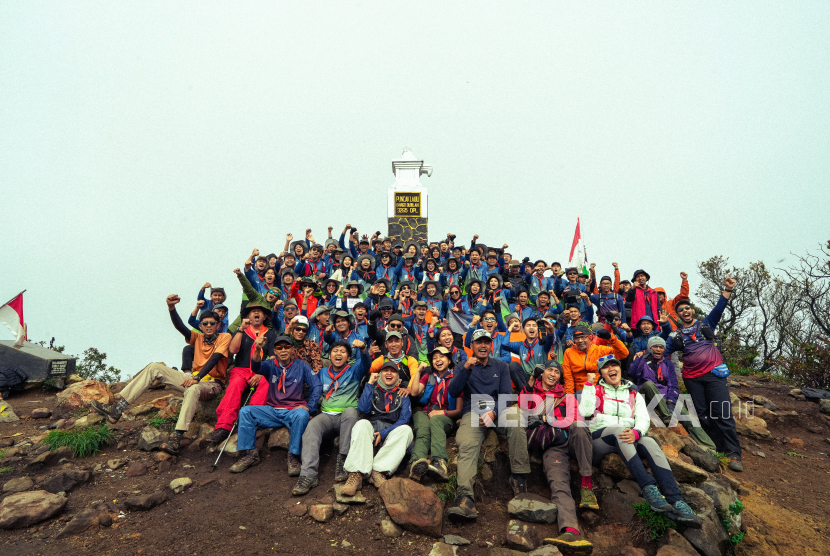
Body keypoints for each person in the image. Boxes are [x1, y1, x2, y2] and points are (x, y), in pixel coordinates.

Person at [91, 295, 230, 455]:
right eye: (204, 323)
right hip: (193, 379)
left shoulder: (224, 337)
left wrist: (196, 379)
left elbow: (215, 358)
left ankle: (177, 437)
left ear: (218, 324)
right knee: (155, 367)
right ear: (200, 325)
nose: (208, 326)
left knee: (192, 389)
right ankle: (118, 408)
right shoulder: (198, 337)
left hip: (212, 384)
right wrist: (171, 308)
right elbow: (181, 327)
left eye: (212, 323)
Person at [579, 355, 704, 526]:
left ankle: (675, 499)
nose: (611, 369)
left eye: (614, 365)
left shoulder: (633, 392)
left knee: (649, 441)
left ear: (620, 369)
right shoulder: (595, 389)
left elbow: (643, 418)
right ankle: (648, 487)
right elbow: (585, 411)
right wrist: (587, 385)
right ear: (601, 372)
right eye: (606, 367)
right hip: (600, 438)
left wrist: (637, 433)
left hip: (625, 437)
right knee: (622, 432)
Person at [447, 329, 530, 521]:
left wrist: (493, 412)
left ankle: (519, 478)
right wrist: (466, 369)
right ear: (472, 346)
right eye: (478, 342)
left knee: (517, 421)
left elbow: (507, 395)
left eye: (486, 342)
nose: (483, 345)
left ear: (491, 346)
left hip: (497, 410)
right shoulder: (462, 366)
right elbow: (453, 391)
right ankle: (466, 497)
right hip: (473, 411)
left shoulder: (501, 366)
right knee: (467, 442)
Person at [666, 277, 743, 471]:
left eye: (687, 308)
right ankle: (716, 449)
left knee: (723, 413)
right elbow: (662, 352)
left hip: (714, 375)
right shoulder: (675, 336)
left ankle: (733, 454)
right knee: (703, 415)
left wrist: (728, 289)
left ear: (693, 311)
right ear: (678, 315)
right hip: (692, 379)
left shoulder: (706, 324)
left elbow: (719, 307)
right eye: (681, 310)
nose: (685, 311)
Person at [519, 362, 596, 554]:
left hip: (571, 440)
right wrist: (530, 381)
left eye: (557, 371)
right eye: (550, 370)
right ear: (542, 373)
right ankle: (570, 531)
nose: (553, 374)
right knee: (558, 483)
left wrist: (546, 419)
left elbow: (574, 419)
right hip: (552, 446)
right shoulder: (533, 395)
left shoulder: (567, 397)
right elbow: (521, 407)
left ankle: (587, 486)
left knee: (579, 427)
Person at [230, 335, 322, 476]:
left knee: (302, 414)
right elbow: (256, 367)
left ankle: (293, 456)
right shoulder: (270, 364)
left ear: (292, 349)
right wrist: (258, 348)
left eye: (287, 347)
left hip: (294, 410)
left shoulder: (302, 365)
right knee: (245, 411)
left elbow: (317, 385)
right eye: (279, 347)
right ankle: (249, 454)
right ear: (275, 351)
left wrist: (310, 407)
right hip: (272, 410)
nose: (283, 350)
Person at [294, 340, 370, 496]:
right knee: (312, 426)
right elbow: (314, 390)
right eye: (335, 351)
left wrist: (363, 349)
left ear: (348, 357)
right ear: (330, 355)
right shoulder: (322, 373)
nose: (339, 354)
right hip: (326, 416)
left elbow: (366, 363)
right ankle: (308, 475)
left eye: (343, 351)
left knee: (350, 411)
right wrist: (308, 407)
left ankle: (343, 462)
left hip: (347, 417)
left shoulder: (354, 371)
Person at [205, 304, 276, 444]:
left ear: (264, 317)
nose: (256, 313)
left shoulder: (270, 334)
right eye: (252, 312)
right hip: (241, 369)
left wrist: (262, 373)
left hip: (261, 369)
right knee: (234, 387)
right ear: (248, 317)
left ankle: (252, 421)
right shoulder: (241, 332)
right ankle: (223, 426)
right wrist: (241, 329)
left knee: (266, 384)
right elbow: (233, 350)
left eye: (259, 312)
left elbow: (273, 357)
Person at [628, 337, 716, 451]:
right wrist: (643, 358)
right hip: (646, 394)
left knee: (687, 416)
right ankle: (667, 416)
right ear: (649, 348)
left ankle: (710, 447)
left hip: (664, 395)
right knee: (649, 384)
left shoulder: (667, 364)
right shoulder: (641, 359)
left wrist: (670, 401)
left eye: (661, 347)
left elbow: (673, 385)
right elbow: (632, 372)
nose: (658, 349)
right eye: (655, 347)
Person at [340, 361, 414, 495]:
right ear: (380, 374)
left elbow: (404, 419)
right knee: (362, 423)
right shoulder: (372, 388)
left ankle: (379, 470)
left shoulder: (402, 393)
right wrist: (369, 384)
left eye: (393, 371)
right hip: (372, 429)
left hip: (390, 432)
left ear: (397, 376)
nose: (389, 373)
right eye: (386, 370)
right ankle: (355, 474)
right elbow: (363, 409)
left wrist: (384, 433)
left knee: (406, 430)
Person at [407, 346, 463, 482]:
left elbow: (459, 410)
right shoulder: (429, 376)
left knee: (436, 420)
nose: (438, 360)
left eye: (442, 356)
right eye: (434, 358)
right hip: (426, 411)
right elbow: (414, 392)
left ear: (449, 360)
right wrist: (419, 371)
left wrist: (441, 412)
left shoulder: (456, 378)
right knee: (423, 432)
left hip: (446, 416)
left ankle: (440, 462)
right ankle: (415, 464)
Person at [562, 326, 629, 395]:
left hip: (601, 390)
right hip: (580, 392)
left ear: (590, 337)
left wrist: (610, 338)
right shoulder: (569, 352)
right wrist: (569, 396)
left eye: (583, 337)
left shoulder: (600, 350)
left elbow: (623, 354)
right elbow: (568, 377)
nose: (580, 340)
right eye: (577, 338)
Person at [502, 318, 556, 389]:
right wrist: (510, 328)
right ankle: (525, 392)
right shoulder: (520, 345)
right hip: (525, 379)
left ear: (537, 329)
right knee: (513, 365)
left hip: (540, 378)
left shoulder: (543, 343)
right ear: (523, 330)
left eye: (534, 325)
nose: (531, 327)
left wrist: (551, 331)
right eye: (528, 325)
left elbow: (550, 339)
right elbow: (505, 344)